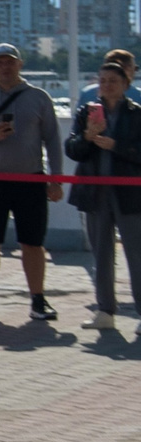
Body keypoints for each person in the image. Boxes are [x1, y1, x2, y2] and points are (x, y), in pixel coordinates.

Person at [0, 42, 65, 321]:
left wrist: (55, 180)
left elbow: (53, 140)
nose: (5, 67)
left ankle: (38, 300)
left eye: (10, 62)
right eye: (0, 62)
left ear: (20, 64)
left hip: (30, 179)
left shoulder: (38, 97)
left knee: (32, 243)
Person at [68, 58, 141, 328]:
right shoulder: (87, 112)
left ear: (125, 84)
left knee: (136, 254)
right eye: (102, 80)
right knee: (101, 254)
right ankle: (105, 311)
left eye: (113, 81)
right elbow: (72, 149)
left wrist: (116, 145)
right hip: (95, 192)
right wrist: (86, 137)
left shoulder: (137, 114)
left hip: (129, 194)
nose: (106, 85)